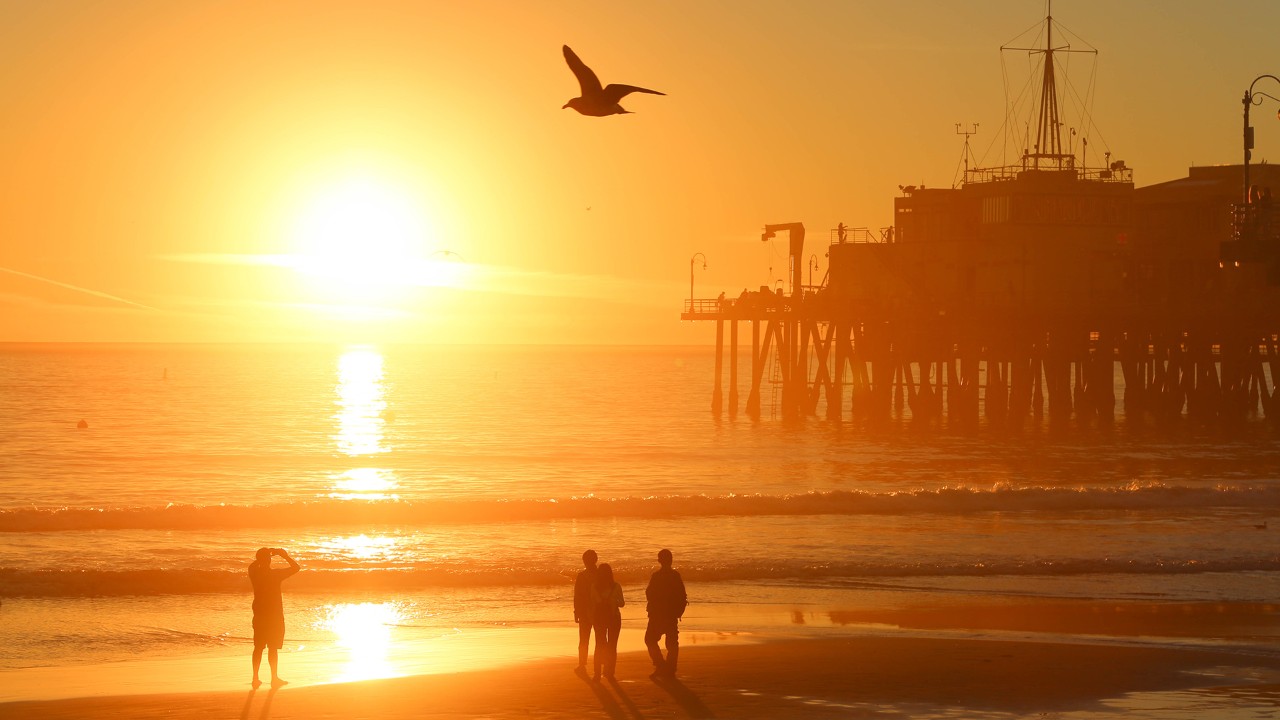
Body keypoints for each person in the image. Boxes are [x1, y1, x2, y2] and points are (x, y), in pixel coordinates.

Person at [248, 547, 300, 688]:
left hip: (259, 615)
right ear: (269, 560)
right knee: (273, 647)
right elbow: (296, 567)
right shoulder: (275, 575)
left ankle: (255, 678)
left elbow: (252, 565)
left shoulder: (254, 573)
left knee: (258, 647)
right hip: (274, 616)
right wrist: (284, 556)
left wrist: (263, 556)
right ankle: (274, 678)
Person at [644, 548, 687, 680]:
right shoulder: (675, 576)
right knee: (672, 643)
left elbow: (649, 594)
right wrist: (678, 611)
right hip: (670, 615)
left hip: (657, 614)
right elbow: (682, 595)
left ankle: (661, 666)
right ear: (671, 560)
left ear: (659, 561)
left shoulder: (656, 576)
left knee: (650, 640)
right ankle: (669, 668)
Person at [591, 562, 624, 681]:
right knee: (612, 645)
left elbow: (592, 604)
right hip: (614, 618)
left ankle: (597, 673)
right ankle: (610, 672)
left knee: (599, 645)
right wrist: (613, 602)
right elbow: (622, 603)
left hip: (599, 619)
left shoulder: (594, 587)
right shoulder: (616, 586)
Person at [573, 549, 599, 670]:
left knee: (584, 639)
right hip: (599, 611)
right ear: (596, 560)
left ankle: (582, 664)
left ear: (584, 561)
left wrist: (576, 611)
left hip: (584, 611)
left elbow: (577, 596)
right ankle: (600, 663)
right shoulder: (601, 575)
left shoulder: (581, 576)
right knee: (600, 639)